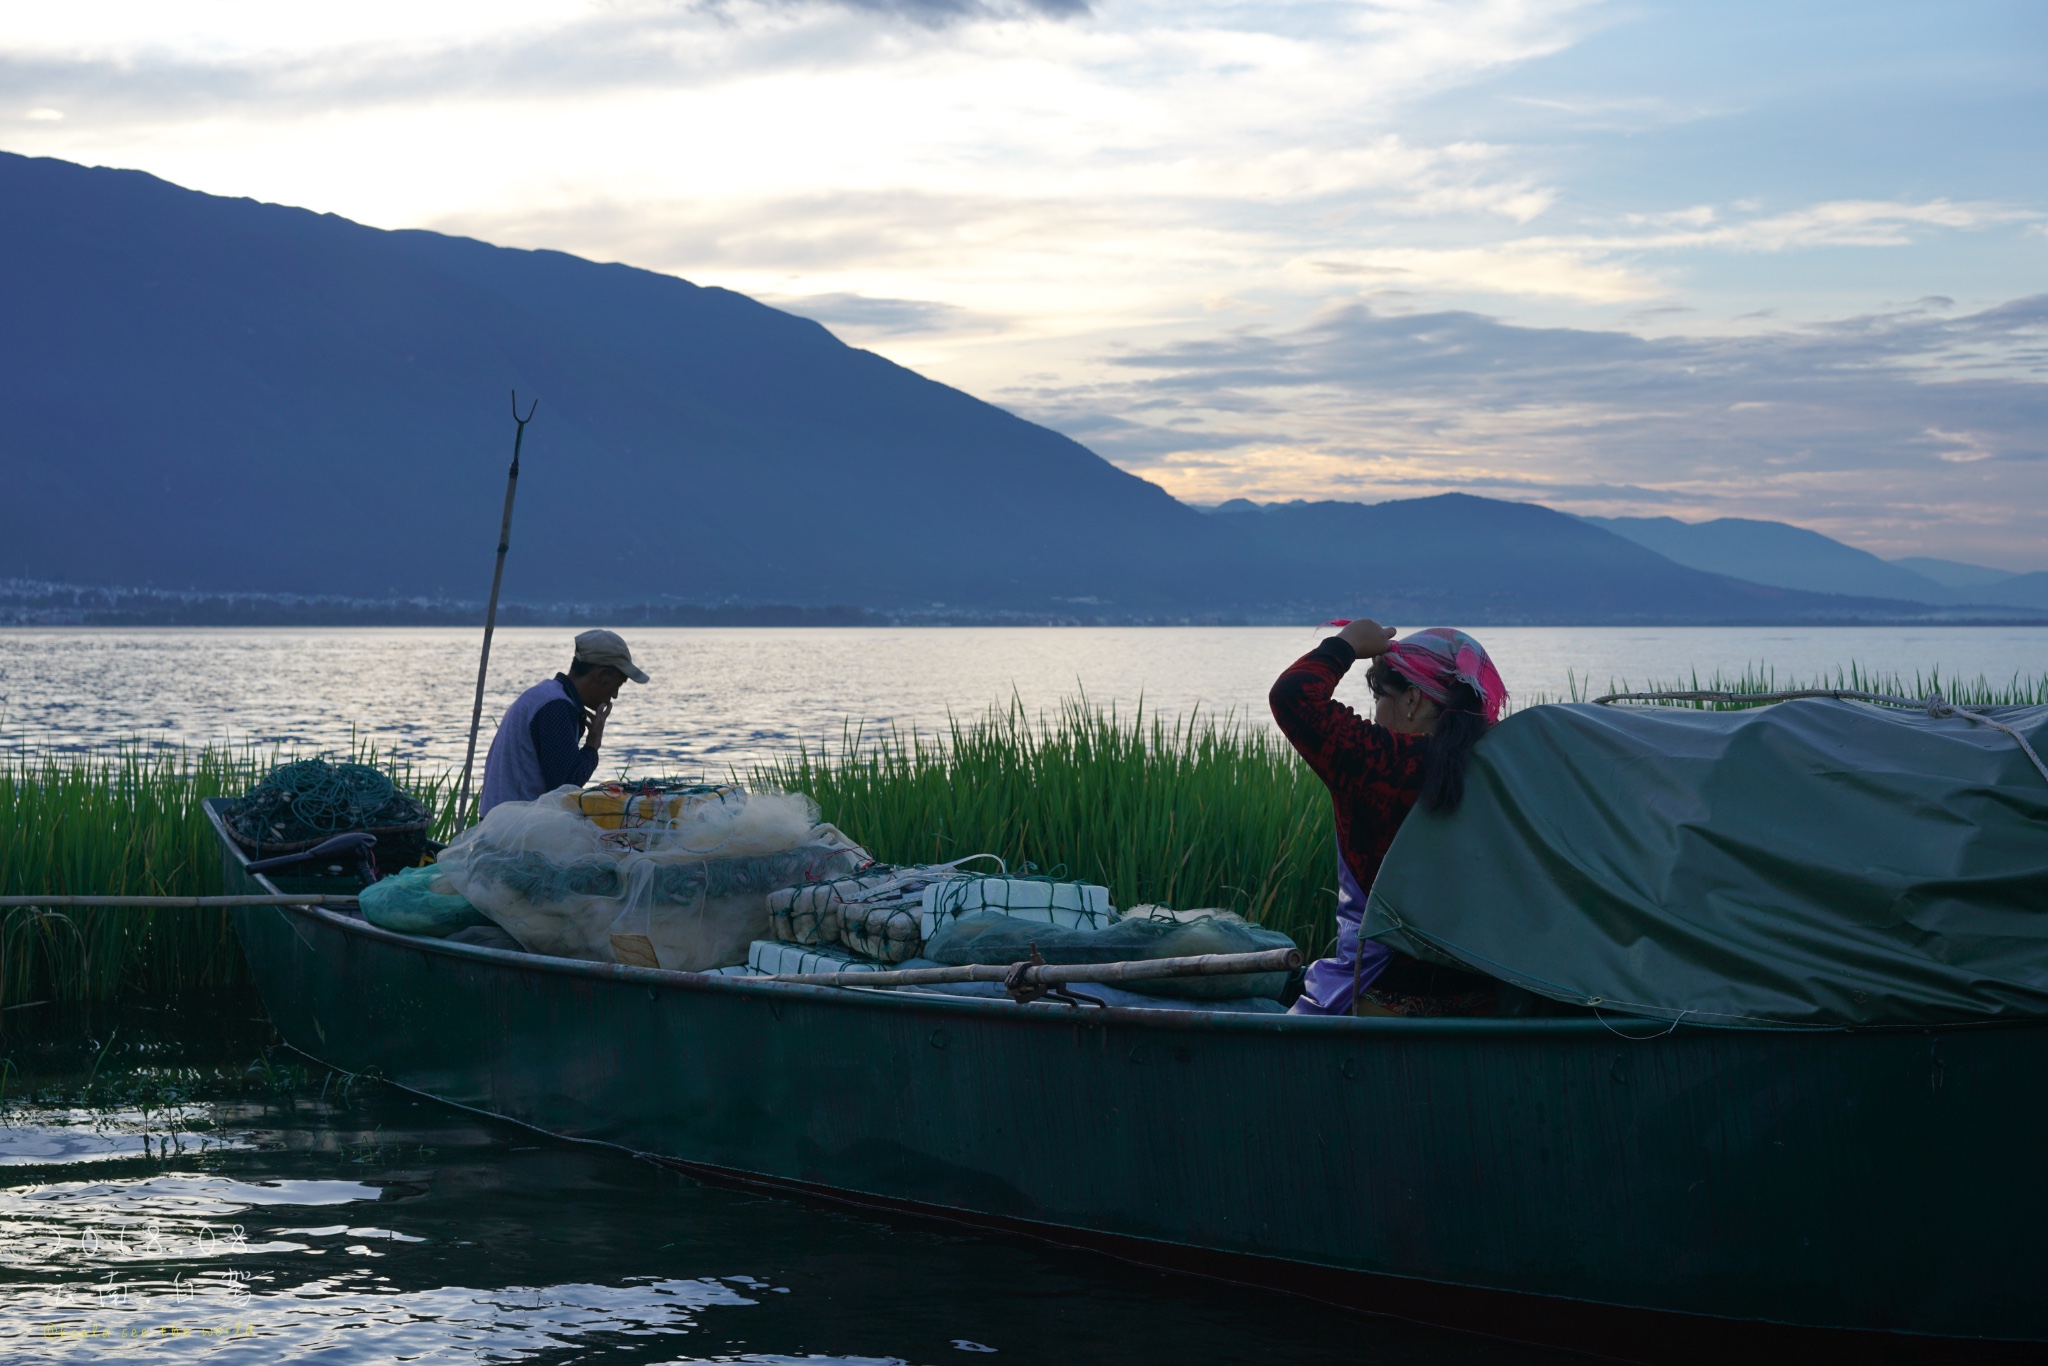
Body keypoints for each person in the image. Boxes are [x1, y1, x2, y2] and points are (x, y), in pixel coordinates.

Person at [1269, 618, 1506, 1016]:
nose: (1375, 713)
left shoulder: (1380, 764)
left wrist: (1345, 644)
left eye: (1380, 697)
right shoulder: (1506, 769)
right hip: (1485, 999)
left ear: (1412, 701)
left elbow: (1293, 696)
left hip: (1379, 999)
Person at [477, 629, 649, 817]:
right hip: (512, 827)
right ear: (600, 675)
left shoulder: (548, 694)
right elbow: (565, 786)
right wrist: (592, 745)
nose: (614, 695)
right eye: (617, 685)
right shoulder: (557, 707)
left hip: (500, 820)